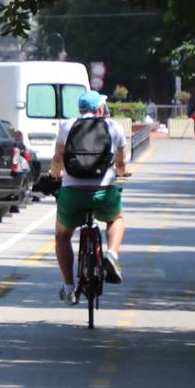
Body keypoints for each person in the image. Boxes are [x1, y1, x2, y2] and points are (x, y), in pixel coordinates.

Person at [52, 90, 132, 302]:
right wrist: (121, 174)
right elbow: (122, 164)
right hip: (104, 193)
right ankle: (112, 254)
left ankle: (69, 289)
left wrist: (54, 175)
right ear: (99, 108)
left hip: (73, 194)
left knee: (62, 235)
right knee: (117, 218)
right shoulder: (114, 127)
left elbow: (58, 158)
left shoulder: (67, 127)